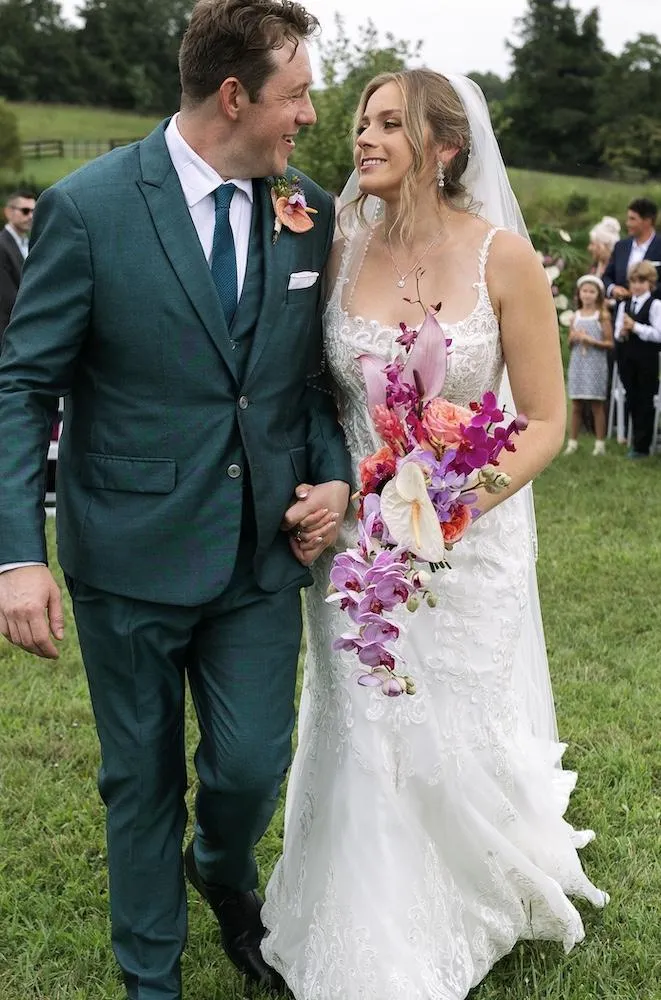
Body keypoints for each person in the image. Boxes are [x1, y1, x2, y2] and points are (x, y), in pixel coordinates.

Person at [0, 2, 352, 998]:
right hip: (128, 549)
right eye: (297, 95)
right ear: (234, 96)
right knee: (140, 776)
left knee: (249, 767)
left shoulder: (308, 210)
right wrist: (18, 555)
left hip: (261, 550)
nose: (310, 116)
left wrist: (333, 472)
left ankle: (221, 866)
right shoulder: (89, 207)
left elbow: (309, 382)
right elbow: (23, 387)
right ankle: (150, 979)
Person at [261, 70, 608, 1000]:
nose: (362, 138)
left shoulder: (504, 259)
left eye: (389, 124)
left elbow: (543, 421)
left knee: (450, 721)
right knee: (363, 720)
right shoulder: (336, 247)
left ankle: (472, 880)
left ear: (445, 148)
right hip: (356, 543)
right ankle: (364, 912)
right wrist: (344, 490)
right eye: (361, 121)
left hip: (467, 539)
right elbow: (306, 390)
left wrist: (452, 502)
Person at [613, 259, 661, 458]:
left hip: (647, 360)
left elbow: (658, 334)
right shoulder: (624, 305)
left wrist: (636, 327)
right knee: (631, 398)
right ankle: (635, 440)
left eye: (641, 281)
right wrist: (623, 332)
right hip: (627, 358)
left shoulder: (655, 305)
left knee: (645, 400)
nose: (636, 285)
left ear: (650, 283)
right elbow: (617, 333)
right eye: (633, 281)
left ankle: (643, 446)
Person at [564, 275, 613, 456]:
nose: (587, 295)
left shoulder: (602, 316)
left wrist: (591, 340)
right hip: (578, 363)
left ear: (598, 295)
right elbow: (570, 343)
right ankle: (572, 442)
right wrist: (574, 338)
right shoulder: (575, 316)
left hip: (595, 364)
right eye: (585, 291)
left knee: (596, 404)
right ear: (579, 293)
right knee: (576, 403)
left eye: (592, 291)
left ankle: (600, 444)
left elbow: (609, 343)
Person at [603, 197, 661, 304]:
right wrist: (613, 289)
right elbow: (606, 276)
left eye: (632, 219)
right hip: (621, 309)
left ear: (647, 221)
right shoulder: (621, 246)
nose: (627, 223)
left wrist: (638, 291)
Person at [0, 189, 35, 342]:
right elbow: (7, 299)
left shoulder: (29, 243)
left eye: (34, 211)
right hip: (9, 332)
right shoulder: (2, 245)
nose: (31, 216)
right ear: (8, 212)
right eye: (25, 211)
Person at [587, 215, 620, 281]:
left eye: (593, 244)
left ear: (604, 246)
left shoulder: (616, 269)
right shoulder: (595, 266)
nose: (589, 248)